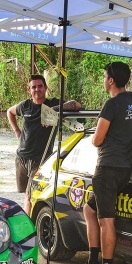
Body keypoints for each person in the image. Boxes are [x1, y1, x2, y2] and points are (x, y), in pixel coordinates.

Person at [79, 62, 132, 264]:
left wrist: (98, 132)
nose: (104, 80)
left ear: (111, 80)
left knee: (106, 221)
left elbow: (96, 140)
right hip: (124, 169)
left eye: (105, 76)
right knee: (89, 209)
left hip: (107, 169)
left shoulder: (111, 104)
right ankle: (93, 260)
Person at [7, 74, 82, 215]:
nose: (37, 90)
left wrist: (56, 109)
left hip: (41, 159)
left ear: (46, 88)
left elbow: (77, 105)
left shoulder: (53, 103)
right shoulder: (25, 105)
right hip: (22, 158)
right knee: (26, 195)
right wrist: (17, 130)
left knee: (31, 196)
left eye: (40, 86)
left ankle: (29, 231)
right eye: (33, 87)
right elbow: (9, 112)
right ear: (29, 90)